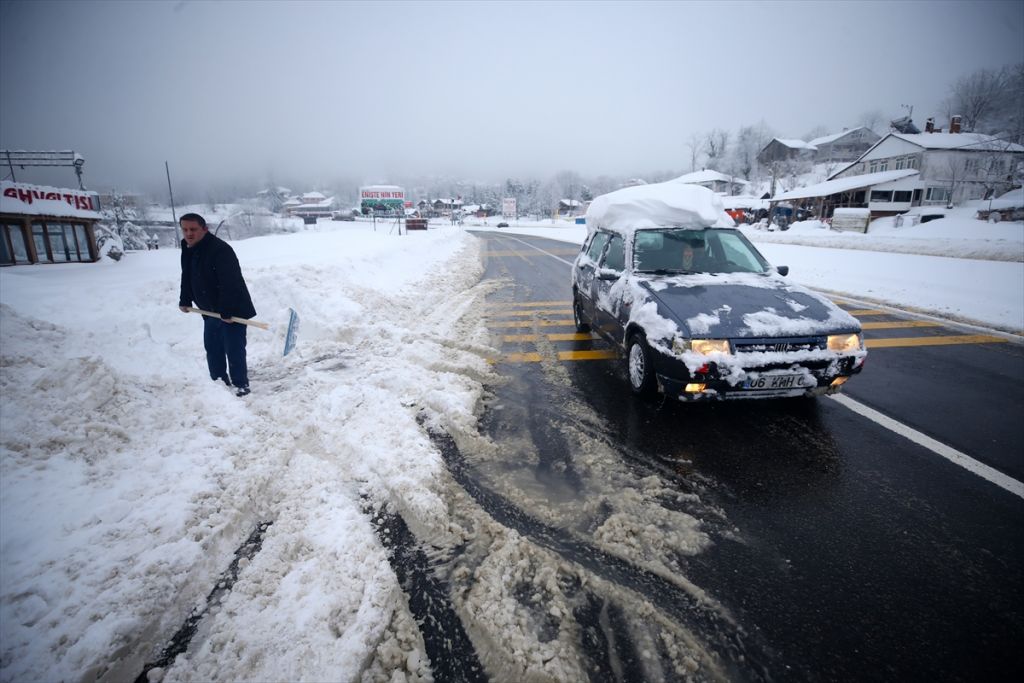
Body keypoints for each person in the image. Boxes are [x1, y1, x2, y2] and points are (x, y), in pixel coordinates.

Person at [178, 213, 256, 396]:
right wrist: (185, 298)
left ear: (204, 229)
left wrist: (227, 310)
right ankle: (218, 382)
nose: (188, 233)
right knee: (213, 347)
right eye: (185, 229)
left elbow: (230, 282)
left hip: (232, 310)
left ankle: (241, 384)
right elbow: (186, 274)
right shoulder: (187, 247)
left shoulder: (220, 250)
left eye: (193, 229)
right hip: (209, 310)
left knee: (234, 349)